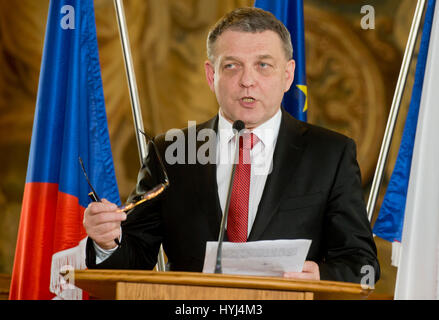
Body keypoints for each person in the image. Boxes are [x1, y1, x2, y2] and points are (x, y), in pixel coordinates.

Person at [84, 7, 380, 284]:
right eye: (232, 66)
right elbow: (132, 261)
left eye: (263, 65)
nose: (247, 80)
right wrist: (106, 242)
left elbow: (362, 264)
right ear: (211, 76)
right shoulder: (170, 153)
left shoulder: (330, 154)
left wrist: (322, 274)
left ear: (287, 75)